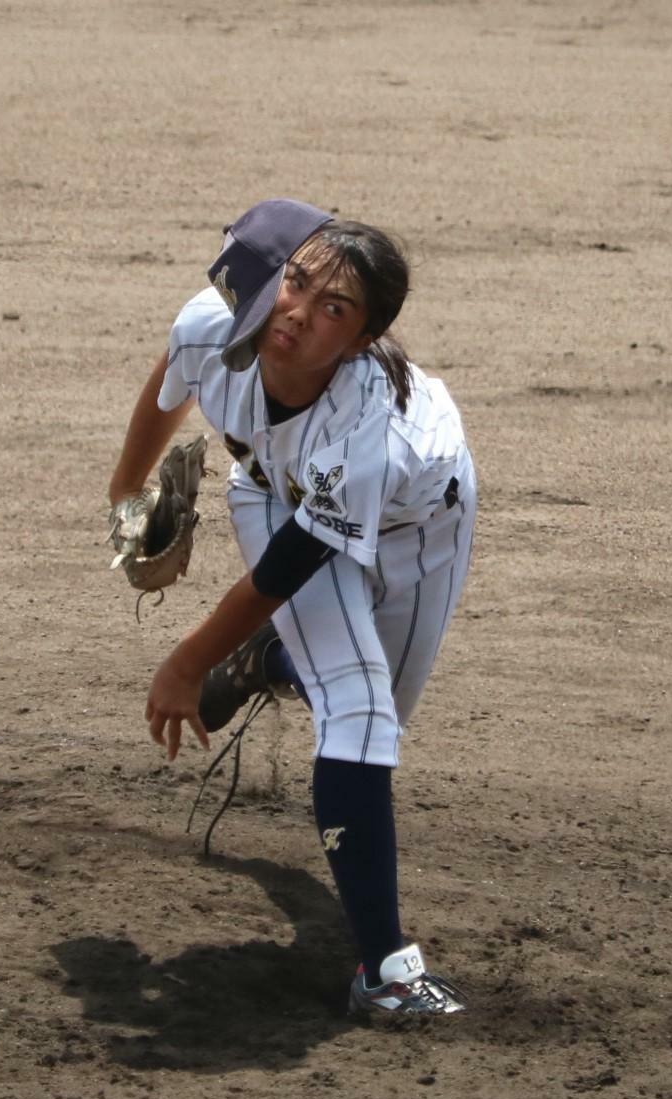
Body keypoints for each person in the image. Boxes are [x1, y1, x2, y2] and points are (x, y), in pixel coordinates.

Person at [107, 198, 477, 1015]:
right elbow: (168, 388)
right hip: (277, 497)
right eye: (298, 283)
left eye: (333, 309)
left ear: (362, 338)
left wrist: (187, 660)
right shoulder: (218, 320)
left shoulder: (365, 420)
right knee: (359, 711)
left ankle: (268, 657)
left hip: (426, 526)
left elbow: (290, 569)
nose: (298, 313)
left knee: (367, 720)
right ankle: (385, 971)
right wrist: (124, 497)